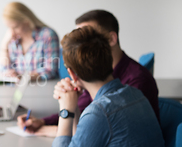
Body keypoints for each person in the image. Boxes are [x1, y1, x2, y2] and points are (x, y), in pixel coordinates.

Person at [52, 26, 179, 147]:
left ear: (72, 74)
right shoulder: (134, 94)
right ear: (109, 59)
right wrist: (75, 107)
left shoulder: (100, 113)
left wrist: (65, 112)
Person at [18, 9, 160, 135]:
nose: (81, 44)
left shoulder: (137, 80)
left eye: (89, 36)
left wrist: (54, 130)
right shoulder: (94, 73)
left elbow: (100, 132)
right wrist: (43, 122)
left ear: (111, 39)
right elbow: (81, 107)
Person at [0, 1, 59, 117]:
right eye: (9, 28)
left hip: (43, 96)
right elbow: (3, 70)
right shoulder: (13, 39)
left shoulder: (47, 35)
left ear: (27, 21)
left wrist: (25, 77)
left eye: (15, 27)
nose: (11, 31)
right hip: (18, 97)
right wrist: (4, 45)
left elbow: (50, 70)